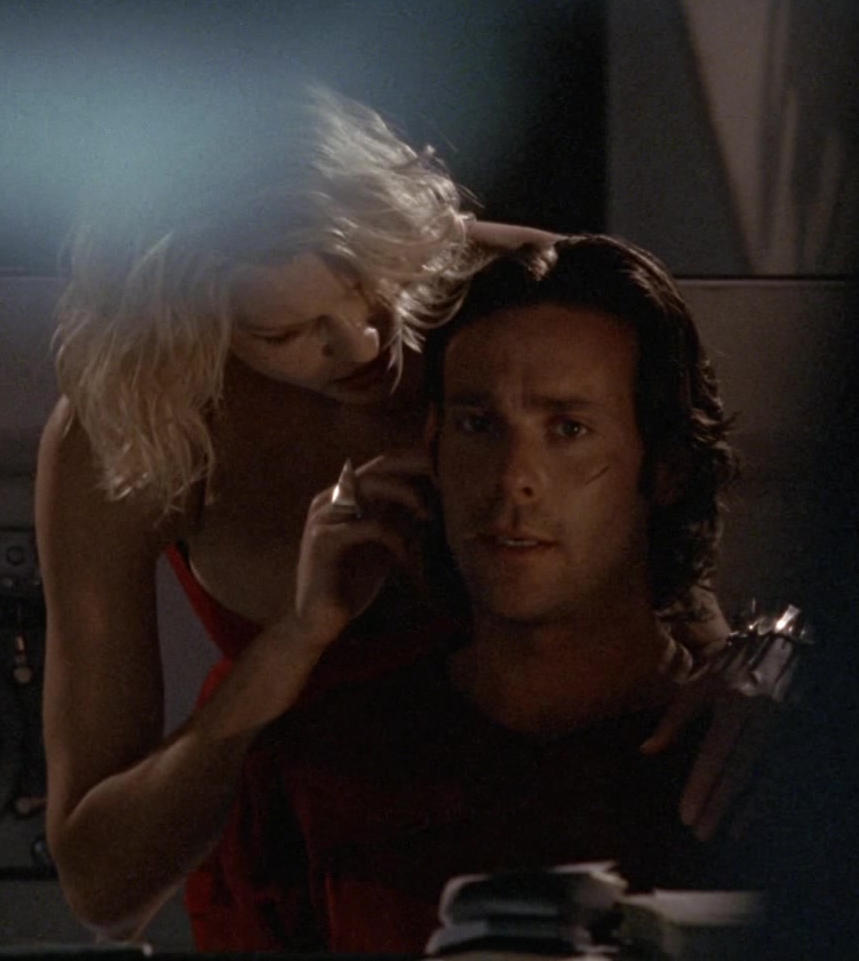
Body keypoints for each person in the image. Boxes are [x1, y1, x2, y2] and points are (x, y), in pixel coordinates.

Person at [34, 89, 736, 944]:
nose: (363, 343)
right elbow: (103, 885)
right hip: (310, 848)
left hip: (564, 806)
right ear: (182, 327)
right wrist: (293, 641)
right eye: (285, 332)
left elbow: (676, 583)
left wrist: (766, 664)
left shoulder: (514, 293)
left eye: (372, 285)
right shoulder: (135, 424)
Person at [202, 234, 749, 953]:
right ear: (431, 448)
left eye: (569, 429)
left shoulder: (737, 759)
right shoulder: (316, 769)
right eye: (479, 425)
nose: (515, 478)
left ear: (666, 465)